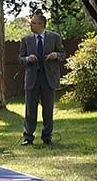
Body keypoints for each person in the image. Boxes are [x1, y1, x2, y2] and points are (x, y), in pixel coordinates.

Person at [20, 11, 65, 145]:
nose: (31, 25)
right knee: (30, 109)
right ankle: (28, 137)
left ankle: (47, 137)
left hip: (48, 77)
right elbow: (20, 58)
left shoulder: (54, 37)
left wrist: (55, 55)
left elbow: (63, 54)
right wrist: (28, 58)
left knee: (48, 108)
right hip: (32, 78)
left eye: (34, 23)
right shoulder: (26, 40)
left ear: (41, 24)